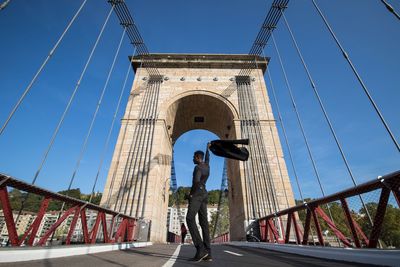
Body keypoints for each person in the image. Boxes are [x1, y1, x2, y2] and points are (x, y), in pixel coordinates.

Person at [186, 143, 212, 262]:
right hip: (205, 194)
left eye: (193, 157)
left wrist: (190, 195)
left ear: (197, 157)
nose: (192, 159)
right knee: (204, 223)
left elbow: (196, 182)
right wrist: (208, 148)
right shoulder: (207, 165)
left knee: (190, 219)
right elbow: (207, 158)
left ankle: (200, 249)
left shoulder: (198, 168)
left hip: (197, 193)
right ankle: (208, 252)